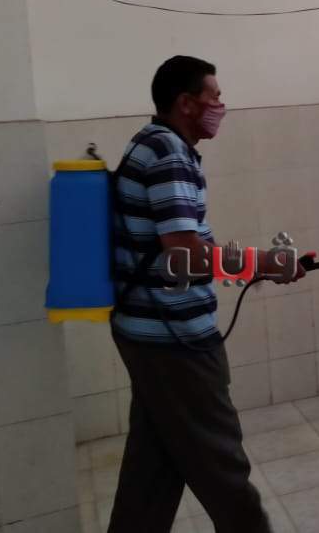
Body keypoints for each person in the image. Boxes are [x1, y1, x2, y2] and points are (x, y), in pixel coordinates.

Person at [107, 55, 304, 533]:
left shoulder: (152, 145)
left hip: (148, 333)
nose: (221, 105)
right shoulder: (169, 154)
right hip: (174, 340)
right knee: (223, 466)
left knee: (151, 473)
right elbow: (184, 254)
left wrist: (263, 263)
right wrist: (268, 263)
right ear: (186, 103)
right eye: (214, 96)